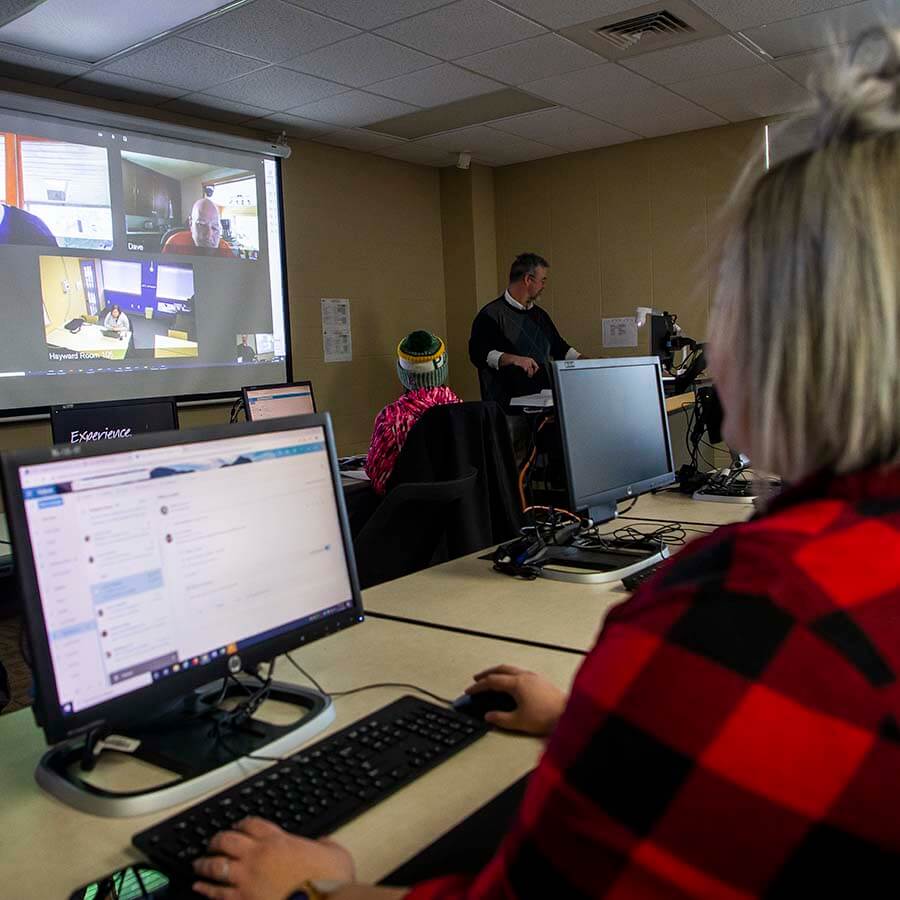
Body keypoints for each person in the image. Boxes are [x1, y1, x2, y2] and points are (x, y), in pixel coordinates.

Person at [193, 28, 900, 900]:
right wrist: (604, 719)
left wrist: (329, 883)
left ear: (789, 339)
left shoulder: (740, 620)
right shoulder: (491, 320)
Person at [468, 252, 582, 405]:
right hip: (507, 411)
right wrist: (512, 359)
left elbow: (560, 348)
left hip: (544, 405)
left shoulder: (541, 316)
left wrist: (587, 361)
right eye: (542, 281)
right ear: (528, 279)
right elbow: (478, 353)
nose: (543, 286)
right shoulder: (490, 315)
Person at [364, 330, 461, 495]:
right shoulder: (462, 411)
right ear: (442, 369)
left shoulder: (391, 418)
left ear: (403, 374)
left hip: (411, 514)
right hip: (460, 514)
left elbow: (378, 480)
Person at [162, 197, 234, 258]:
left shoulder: (225, 250)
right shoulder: (175, 244)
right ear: (191, 224)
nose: (209, 235)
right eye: (202, 225)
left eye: (215, 227)